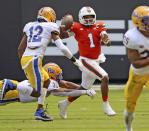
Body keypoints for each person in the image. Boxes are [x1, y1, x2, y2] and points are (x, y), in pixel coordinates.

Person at [5, 6, 83, 121]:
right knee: (37, 92)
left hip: (26, 59)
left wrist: (25, 65)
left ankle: (39, 110)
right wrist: (75, 61)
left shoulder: (29, 25)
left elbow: (20, 49)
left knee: (46, 82)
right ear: (50, 16)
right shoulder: (51, 26)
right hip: (35, 59)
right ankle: (12, 85)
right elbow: (62, 47)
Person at [58, 6, 116, 119]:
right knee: (105, 77)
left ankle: (64, 104)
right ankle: (106, 105)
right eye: (86, 17)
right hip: (85, 61)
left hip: (96, 60)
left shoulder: (99, 25)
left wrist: (106, 40)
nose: (89, 19)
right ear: (81, 17)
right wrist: (62, 27)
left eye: (91, 17)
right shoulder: (76, 27)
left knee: (84, 88)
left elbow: (103, 35)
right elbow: (62, 36)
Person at [0, 63, 96, 106]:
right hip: (13, 92)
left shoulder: (48, 80)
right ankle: (9, 84)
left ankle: (10, 84)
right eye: (57, 75)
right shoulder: (50, 82)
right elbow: (63, 92)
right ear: (51, 74)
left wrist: (84, 87)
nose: (60, 77)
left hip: (16, 93)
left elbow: (66, 84)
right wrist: (84, 91)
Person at [123, 6, 149, 131]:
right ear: (138, 22)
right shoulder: (132, 37)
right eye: (147, 20)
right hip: (138, 74)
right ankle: (128, 128)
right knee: (130, 106)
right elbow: (136, 62)